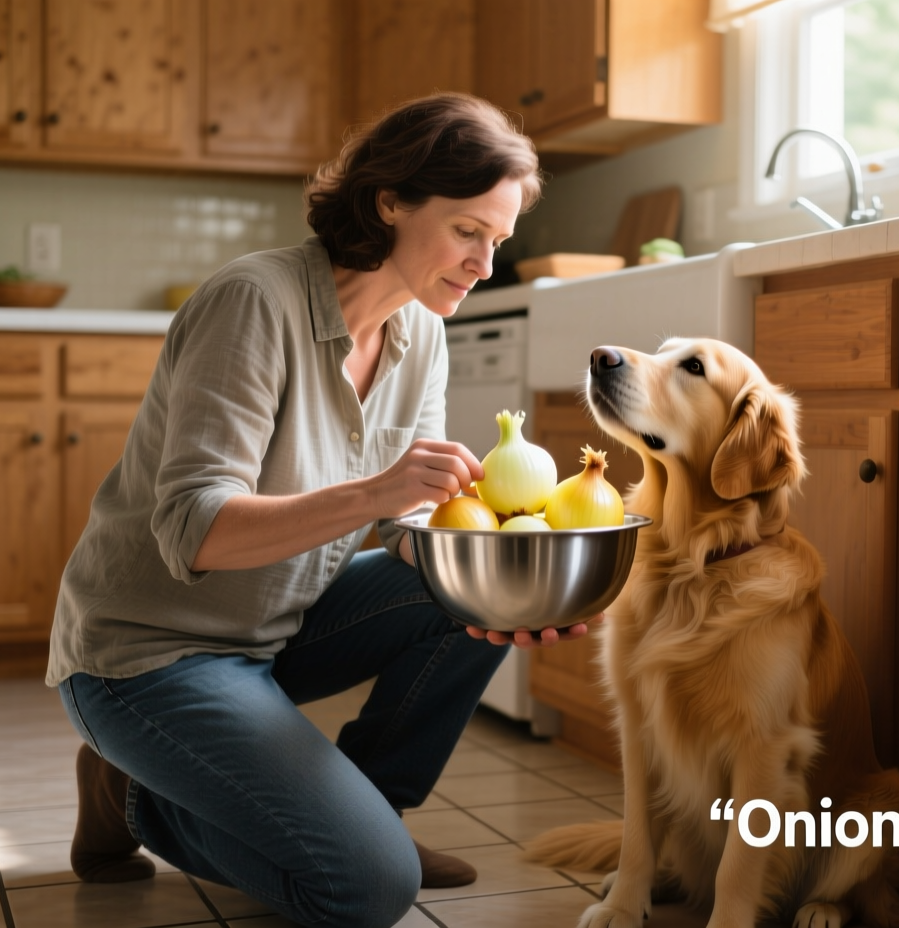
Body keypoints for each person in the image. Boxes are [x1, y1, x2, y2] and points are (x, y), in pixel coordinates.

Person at [46, 94, 587, 928]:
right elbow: (195, 528)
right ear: (390, 202)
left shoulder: (422, 331)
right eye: (468, 231)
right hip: (151, 653)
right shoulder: (252, 303)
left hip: (281, 628)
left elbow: (410, 531)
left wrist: (514, 580)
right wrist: (378, 492)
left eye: (499, 241)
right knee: (367, 892)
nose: (484, 264)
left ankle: (370, 817)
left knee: (474, 594)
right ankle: (141, 801)